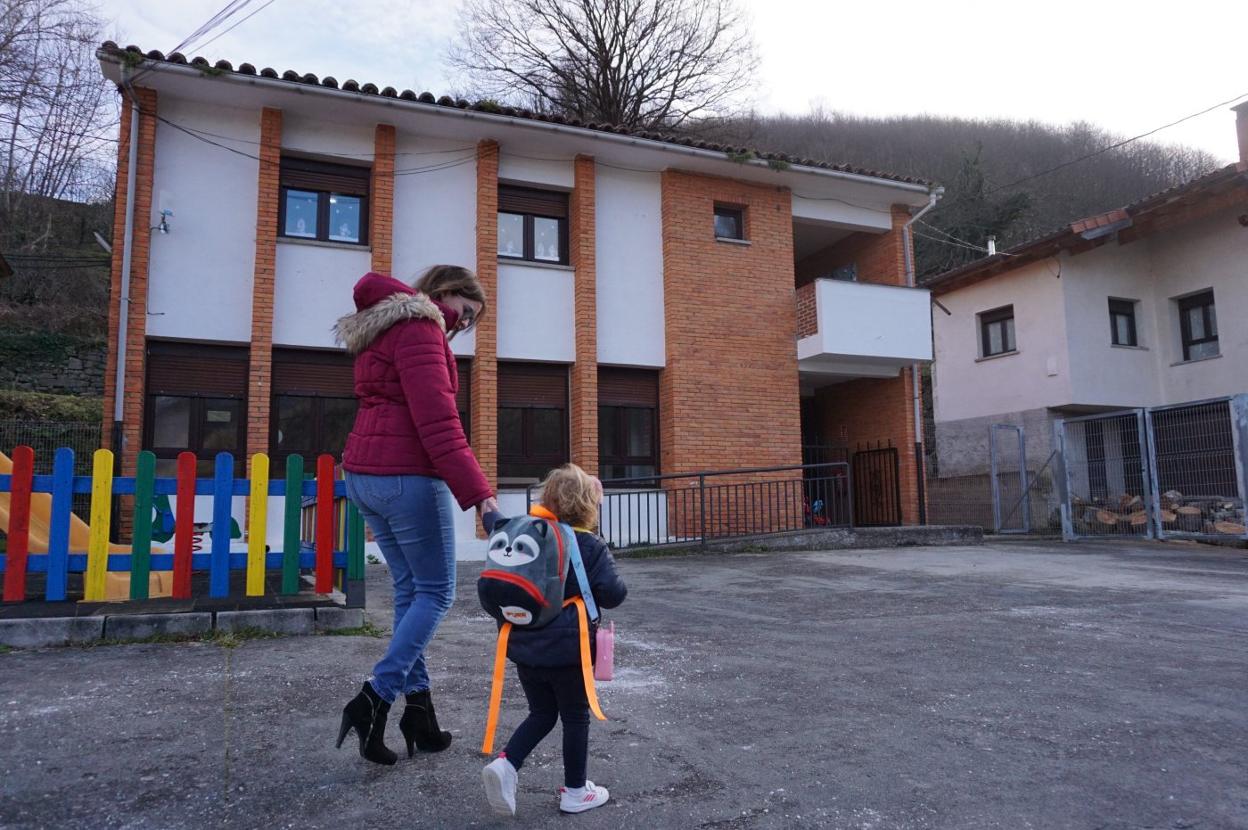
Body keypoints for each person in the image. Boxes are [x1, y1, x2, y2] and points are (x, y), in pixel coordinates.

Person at [332, 266, 500, 765]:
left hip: (364, 474)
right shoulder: (422, 329)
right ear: (445, 292)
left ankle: (419, 714)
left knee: (410, 594)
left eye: (468, 323)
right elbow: (439, 424)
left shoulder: (384, 324)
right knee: (436, 592)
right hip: (406, 477)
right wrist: (482, 497)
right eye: (464, 312)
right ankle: (374, 699)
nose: (461, 325)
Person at [480, 464, 627, 816]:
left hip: (524, 648)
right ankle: (576, 791)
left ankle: (506, 764)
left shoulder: (531, 532)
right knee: (575, 716)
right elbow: (614, 593)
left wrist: (485, 502)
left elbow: (492, 521)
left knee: (542, 712)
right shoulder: (589, 545)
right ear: (589, 505)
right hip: (568, 652)